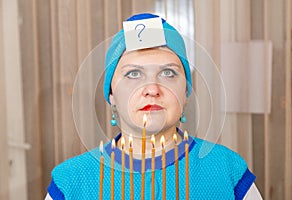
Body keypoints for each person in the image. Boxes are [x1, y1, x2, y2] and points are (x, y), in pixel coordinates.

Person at [45, 13, 262, 200]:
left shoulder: (229, 172)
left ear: (186, 92)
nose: (152, 89)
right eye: (133, 74)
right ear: (111, 96)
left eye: (168, 73)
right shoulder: (70, 183)